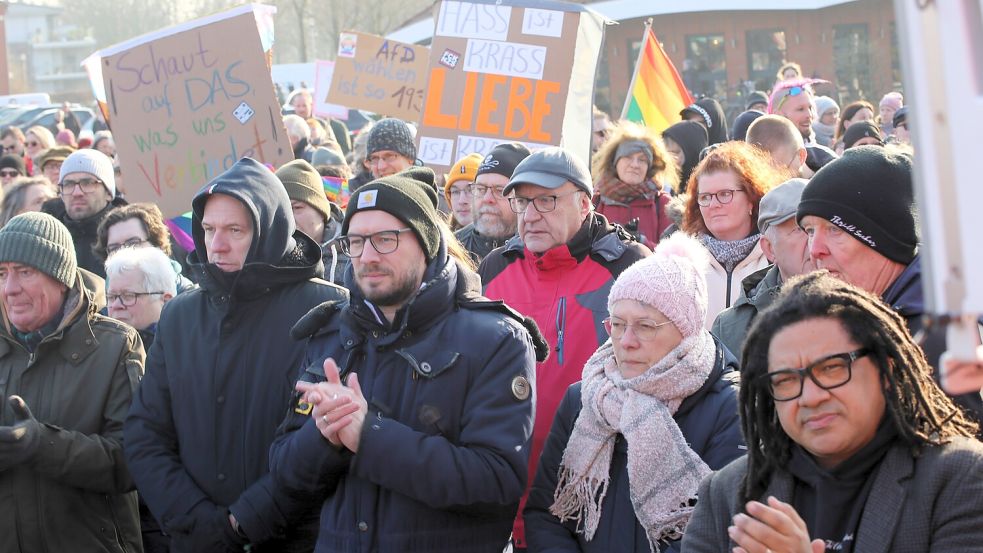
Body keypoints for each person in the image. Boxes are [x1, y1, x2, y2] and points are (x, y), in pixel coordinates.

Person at [269, 167, 542, 552]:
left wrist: (369, 436)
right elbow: (283, 471)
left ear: (427, 243)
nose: (367, 256)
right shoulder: (331, 334)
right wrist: (324, 437)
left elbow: (496, 480)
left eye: (385, 239)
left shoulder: (496, 339)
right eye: (356, 241)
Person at [124, 158, 348, 552]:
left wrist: (243, 522)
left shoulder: (327, 309)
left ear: (269, 231)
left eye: (234, 230)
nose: (216, 245)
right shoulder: (180, 315)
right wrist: (197, 521)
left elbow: (321, 441)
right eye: (209, 230)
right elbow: (145, 434)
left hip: (290, 541)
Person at [681, 272, 983, 553]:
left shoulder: (960, 477)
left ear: (885, 370)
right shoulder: (726, 493)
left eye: (832, 368)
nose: (810, 397)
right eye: (786, 380)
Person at [525, 233, 744, 552]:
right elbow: (546, 513)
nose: (626, 340)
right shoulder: (585, 398)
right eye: (617, 324)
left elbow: (722, 530)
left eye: (645, 326)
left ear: (686, 331)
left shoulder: (730, 407)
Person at [479, 147, 651, 548]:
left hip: (595, 485)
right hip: (505, 482)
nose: (531, 214)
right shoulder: (495, 267)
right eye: (522, 201)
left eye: (546, 200)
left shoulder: (628, 266)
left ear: (584, 202)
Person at [796, 145, 983, 423]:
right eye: (810, 230)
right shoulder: (871, 316)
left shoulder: (935, 338)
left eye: (834, 229)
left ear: (884, 237)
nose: (815, 249)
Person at [0, 212, 144, 552]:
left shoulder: (116, 346)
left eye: (25, 271)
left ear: (61, 278)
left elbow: (133, 461)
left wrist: (42, 445)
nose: (10, 288)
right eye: (1, 273)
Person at [682, 141, 783, 327]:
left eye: (725, 194)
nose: (713, 204)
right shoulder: (682, 263)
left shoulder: (777, 257)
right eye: (705, 197)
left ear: (751, 200)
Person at [712, 178, 813, 358]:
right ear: (769, 248)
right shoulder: (731, 327)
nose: (815, 242)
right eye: (800, 230)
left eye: (823, 228)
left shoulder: (860, 299)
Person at [592, 121, 679, 249]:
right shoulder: (596, 200)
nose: (635, 164)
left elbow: (671, 255)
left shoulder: (663, 204)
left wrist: (640, 241)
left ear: (649, 167)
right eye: (628, 157)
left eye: (642, 159)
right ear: (615, 161)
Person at [41, 148, 125, 277]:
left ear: (108, 193)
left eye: (87, 183)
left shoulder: (127, 237)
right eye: (68, 184)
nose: (77, 192)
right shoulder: (47, 238)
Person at [276, 158, 348, 285]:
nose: (288, 219)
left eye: (296, 208)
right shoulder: (268, 261)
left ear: (320, 210)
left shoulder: (353, 256)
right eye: (281, 210)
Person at [95, 202, 195, 292]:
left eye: (133, 243)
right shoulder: (104, 305)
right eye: (114, 248)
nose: (123, 252)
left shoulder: (186, 296)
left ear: (156, 244)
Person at [456, 142, 529, 261]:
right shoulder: (453, 246)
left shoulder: (538, 252)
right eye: (480, 189)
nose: (487, 199)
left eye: (500, 191)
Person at [768, 79, 838, 173]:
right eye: (800, 109)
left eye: (810, 108)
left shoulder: (823, 157)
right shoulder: (764, 159)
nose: (809, 114)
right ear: (778, 115)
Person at [747, 115, 814, 179]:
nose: (771, 181)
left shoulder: (823, 185)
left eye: (781, 172)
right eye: (763, 174)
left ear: (801, 156)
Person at [662, 120, 708, 194]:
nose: (669, 158)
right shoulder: (661, 184)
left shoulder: (706, 188)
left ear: (692, 153)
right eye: (666, 153)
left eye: (675, 152)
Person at [443, 152, 482, 230]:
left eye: (471, 190)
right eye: (455, 192)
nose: (462, 200)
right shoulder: (438, 240)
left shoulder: (508, 240)